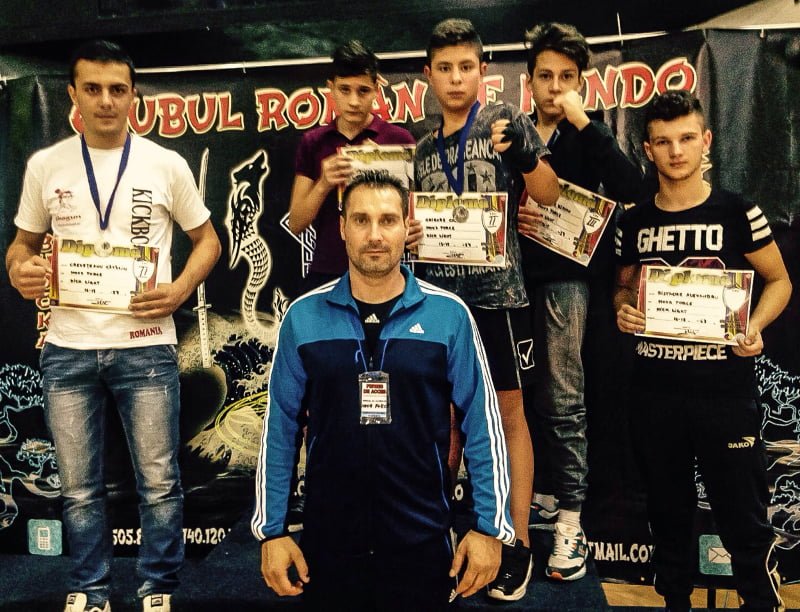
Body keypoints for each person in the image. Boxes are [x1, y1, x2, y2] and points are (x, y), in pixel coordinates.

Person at [5, 40, 221, 612]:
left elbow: (207, 241)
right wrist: (20, 271)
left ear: (134, 97)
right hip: (67, 349)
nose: (106, 100)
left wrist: (181, 289)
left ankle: (158, 589)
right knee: (78, 486)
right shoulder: (46, 166)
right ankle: (90, 588)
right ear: (72, 95)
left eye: (117, 89)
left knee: (159, 481)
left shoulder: (166, 164)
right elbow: (21, 248)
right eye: (93, 89)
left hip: (145, 348)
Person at [252, 170, 514, 611]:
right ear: (342, 228)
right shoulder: (303, 317)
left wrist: (489, 528)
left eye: (388, 220)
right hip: (328, 546)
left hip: (422, 542)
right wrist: (272, 531)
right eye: (361, 220)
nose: (375, 235)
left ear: (406, 226)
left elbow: (483, 426)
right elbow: (279, 429)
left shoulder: (449, 315)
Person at [614, 90, 790, 612]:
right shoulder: (633, 223)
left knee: (743, 517)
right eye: (664, 141)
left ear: (706, 141)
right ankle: (675, 602)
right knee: (667, 514)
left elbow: (779, 281)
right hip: (655, 393)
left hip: (724, 393)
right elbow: (624, 288)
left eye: (687, 138)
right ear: (647, 149)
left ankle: (761, 601)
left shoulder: (738, 211)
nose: (676, 151)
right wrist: (624, 310)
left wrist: (754, 325)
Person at [414, 17, 560, 602]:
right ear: (428, 75)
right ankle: (436, 530)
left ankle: (516, 541)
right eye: (444, 68)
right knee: (444, 419)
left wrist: (524, 156)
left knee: (508, 417)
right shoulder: (422, 148)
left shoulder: (505, 121)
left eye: (466, 67)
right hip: (439, 304)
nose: (456, 78)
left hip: (500, 300)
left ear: (483, 70)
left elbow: (548, 194)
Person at [519, 22, 644, 581]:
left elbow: (633, 188)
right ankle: (539, 494)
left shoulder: (588, 134)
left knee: (563, 397)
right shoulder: (513, 130)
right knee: (516, 397)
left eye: (566, 77)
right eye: (545, 76)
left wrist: (583, 122)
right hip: (509, 281)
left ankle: (571, 518)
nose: (555, 87)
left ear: (581, 82)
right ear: (528, 81)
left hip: (567, 283)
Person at [287, 39, 416, 291]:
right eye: (345, 90)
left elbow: (413, 217)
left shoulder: (399, 140)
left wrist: (383, 168)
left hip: (384, 271)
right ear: (331, 88)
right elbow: (296, 223)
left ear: (377, 89)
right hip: (328, 271)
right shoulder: (313, 142)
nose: (354, 101)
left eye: (363, 91)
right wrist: (323, 184)